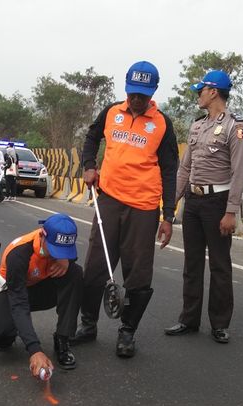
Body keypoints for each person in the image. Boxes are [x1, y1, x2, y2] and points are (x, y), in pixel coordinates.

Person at [71, 61, 179, 358]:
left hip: (143, 207)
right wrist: (90, 166)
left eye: (142, 95)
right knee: (95, 266)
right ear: (126, 88)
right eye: (132, 93)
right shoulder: (110, 113)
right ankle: (88, 324)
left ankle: (127, 332)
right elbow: (91, 138)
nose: (136, 100)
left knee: (138, 274)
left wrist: (167, 216)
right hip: (108, 198)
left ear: (153, 92)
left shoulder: (162, 124)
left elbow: (170, 171)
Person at [164, 70, 243, 344]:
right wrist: (172, 204)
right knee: (192, 263)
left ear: (213, 92)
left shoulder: (236, 127)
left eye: (201, 90)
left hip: (217, 203)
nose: (198, 94)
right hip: (194, 201)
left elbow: (238, 173)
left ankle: (220, 324)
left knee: (220, 265)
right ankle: (188, 319)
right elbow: (185, 167)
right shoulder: (197, 126)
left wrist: (230, 212)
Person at [0, 213, 80, 376]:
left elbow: (71, 256)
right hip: (14, 292)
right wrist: (34, 349)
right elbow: (19, 303)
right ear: (42, 236)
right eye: (55, 250)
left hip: (41, 289)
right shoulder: (19, 254)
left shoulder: (62, 248)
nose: (59, 255)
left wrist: (67, 260)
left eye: (64, 251)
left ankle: (63, 338)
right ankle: (11, 331)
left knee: (75, 273)